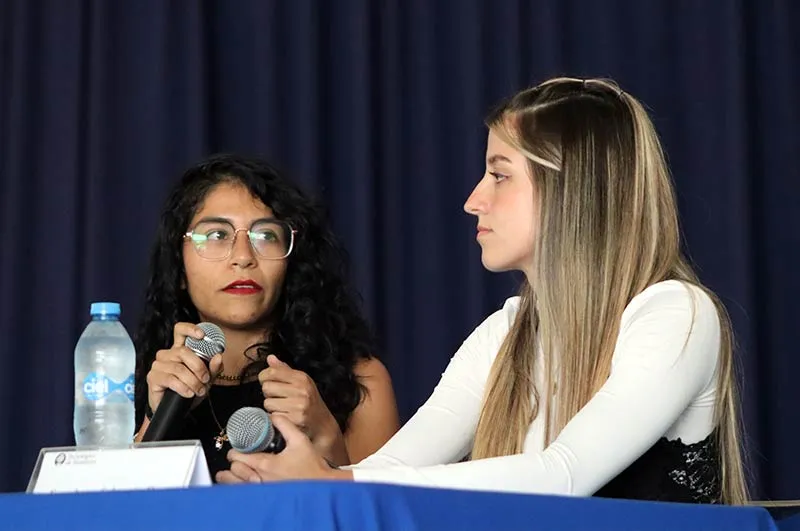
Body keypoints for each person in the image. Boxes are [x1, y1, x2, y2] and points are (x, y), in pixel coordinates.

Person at [216, 78, 749, 505]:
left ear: (572, 189)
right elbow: (397, 467)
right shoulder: (505, 332)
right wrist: (285, 478)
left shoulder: (676, 313)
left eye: (500, 175)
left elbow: (565, 475)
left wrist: (335, 484)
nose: (474, 200)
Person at [133, 154, 400, 477]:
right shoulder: (141, 379)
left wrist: (325, 433)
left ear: (292, 262)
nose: (243, 258)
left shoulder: (359, 381)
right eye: (217, 235)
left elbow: (375, 518)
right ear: (178, 266)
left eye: (265, 236)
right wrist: (155, 416)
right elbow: (116, 517)